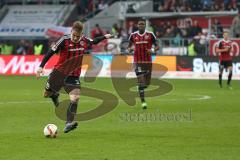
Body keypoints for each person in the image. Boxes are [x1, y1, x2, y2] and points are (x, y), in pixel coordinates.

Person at [36, 21, 112, 133]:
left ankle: (68, 123)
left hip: (74, 76)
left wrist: (105, 36)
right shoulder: (64, 40)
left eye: (78, 36)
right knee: (46, 94)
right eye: (74, 35)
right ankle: (54, 96)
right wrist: (41, 67)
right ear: (71, 32)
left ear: (81, 34)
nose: (76, 38)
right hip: (59, 73)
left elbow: (94, 41)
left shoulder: (84, 40)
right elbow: (50, 52)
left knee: (75, 98)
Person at [127, 19, 159, 109]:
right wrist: (129, 49)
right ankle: (143, 102)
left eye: (143, 24)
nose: (141, 25)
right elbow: (128, 46)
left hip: (148, 62)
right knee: (141, 81)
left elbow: (157, 46)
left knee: (147, 84)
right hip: (138, 62)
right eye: (140, 24)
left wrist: (152, 50)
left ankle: (140, 88)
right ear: (137, 25)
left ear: (145, 25)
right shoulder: (133, 35)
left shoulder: (150, 35)